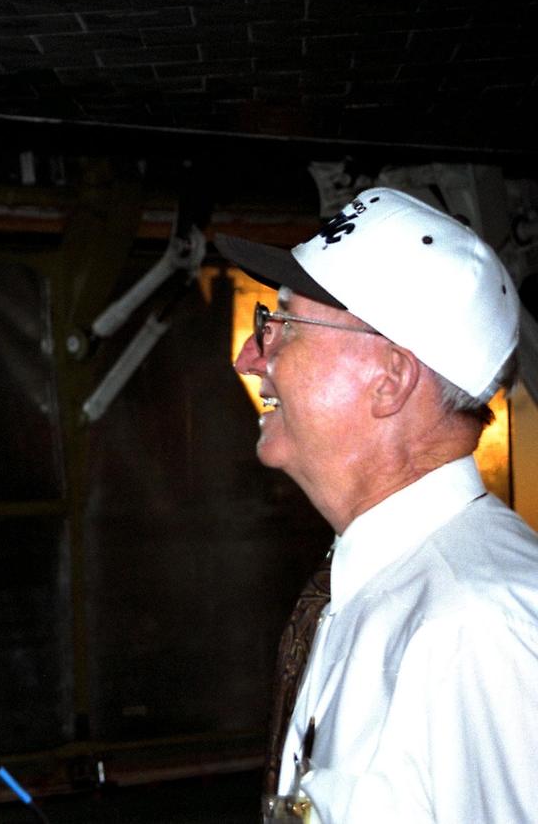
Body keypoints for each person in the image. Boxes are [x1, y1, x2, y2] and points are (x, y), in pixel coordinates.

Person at [218, 187, 538, 822]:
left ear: (390, 379)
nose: (250, 357)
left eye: (281, 325)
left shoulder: (474, 628)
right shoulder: (380, 588)